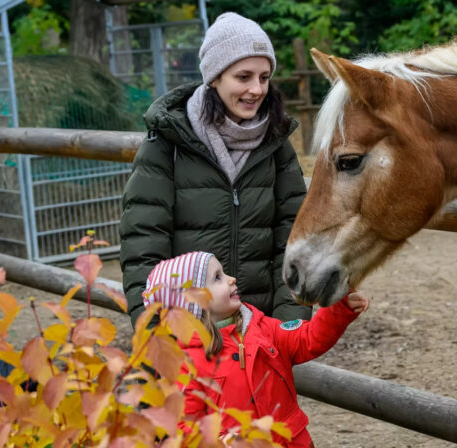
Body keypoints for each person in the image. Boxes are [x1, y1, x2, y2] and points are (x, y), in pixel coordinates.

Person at [120, 12, 309, 328]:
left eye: (264, 78)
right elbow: (143, 241)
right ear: (215, 76)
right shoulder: (170, 142)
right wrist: (153, 329)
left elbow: (292, 235)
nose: (257, 89)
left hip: (259, 331)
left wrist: (290, 323)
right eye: (243, 76)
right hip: (187, 334)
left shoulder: (276, 143)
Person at [142, 252, 369, 446]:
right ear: (194, 303)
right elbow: (184, 427)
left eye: (224, 273)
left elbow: (308, 339)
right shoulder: (184, 363)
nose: (231, 279)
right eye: (217, 278)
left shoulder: (263, 327)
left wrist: (338, 309)